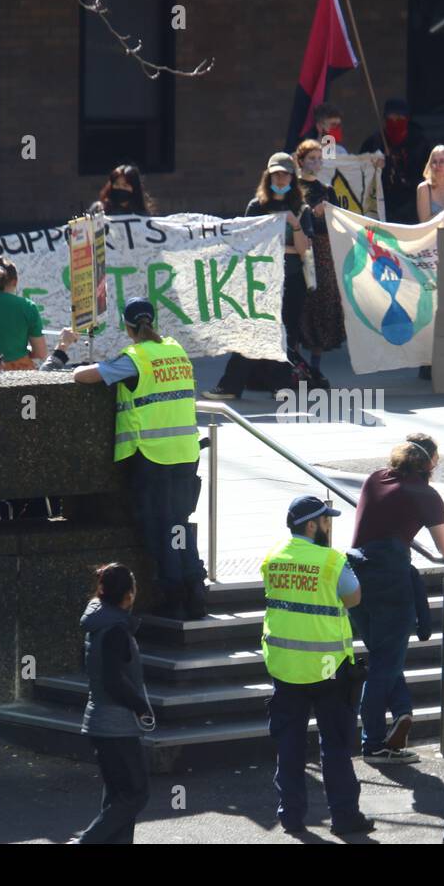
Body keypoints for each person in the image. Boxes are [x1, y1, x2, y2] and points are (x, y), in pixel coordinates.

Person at [73, 298, 208, 620]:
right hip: (186, 453)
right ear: (155, 321)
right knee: (179, 525)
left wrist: (75, 364)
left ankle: (173, 596)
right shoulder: (176, 350)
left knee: (160, 529)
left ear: (128, 327)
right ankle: (196, 590)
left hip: (152, 457)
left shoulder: (136, 358)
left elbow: (85, 377)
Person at [261, 495, 374, 837]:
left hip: (285, 668)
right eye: (326, 520)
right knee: (335, 746)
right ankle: (344, 817)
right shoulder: (331, 561)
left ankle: (291, 816)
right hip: (328, 669)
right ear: (312, 525)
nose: (329, 526)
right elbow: (353, 598)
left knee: (290, 746)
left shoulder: (272, 558)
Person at [349, 433, 444, 764]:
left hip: (356, 578)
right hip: (391, 584)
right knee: (385, 663)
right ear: (429, 464)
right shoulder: (426, 494)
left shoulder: (374, 479)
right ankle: (372, 744)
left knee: (383, 656)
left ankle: (401, 714)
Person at [204, 153, 315, 400]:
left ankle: (281, 386)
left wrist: (294, 224)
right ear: (268, 176)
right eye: (276, 174)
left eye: (285, 174)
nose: (280, 178)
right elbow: (244, 241)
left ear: (292, 177)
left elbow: (303, 249)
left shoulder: (301, 209)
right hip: (260, 279)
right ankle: (231, 385)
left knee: (286, 332)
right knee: (251, 328)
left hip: (291, 277)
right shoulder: (256, 206)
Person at [70, 563, 152, 844]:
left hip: (99, 719)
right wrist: (141, 706)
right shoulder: (115, 629)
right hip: (117, 725)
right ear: (128, 595)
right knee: (136, 794)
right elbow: (114, 681)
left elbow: (90, 668)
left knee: (118, 797)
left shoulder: (97, 623)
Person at [293, 139, 346, 378]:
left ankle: (315, 365)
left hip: (323, 252)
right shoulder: (294, 188)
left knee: (323, 303)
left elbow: (336, 223)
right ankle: (295, 363)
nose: (315, 162)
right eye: (311, 158)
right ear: (301, 161)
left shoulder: (327, 190)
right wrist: (313, 214)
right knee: (300, 304)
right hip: (301, 250)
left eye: (318, 158)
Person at [359, 97, 430, 224]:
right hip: (383, 204)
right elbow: (361, 171)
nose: (395, 122)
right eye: (391, 118)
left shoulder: (419, 141)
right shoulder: (374, 142)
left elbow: (428, 173)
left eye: (400, 119)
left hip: (412, 203)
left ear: (407, 119)